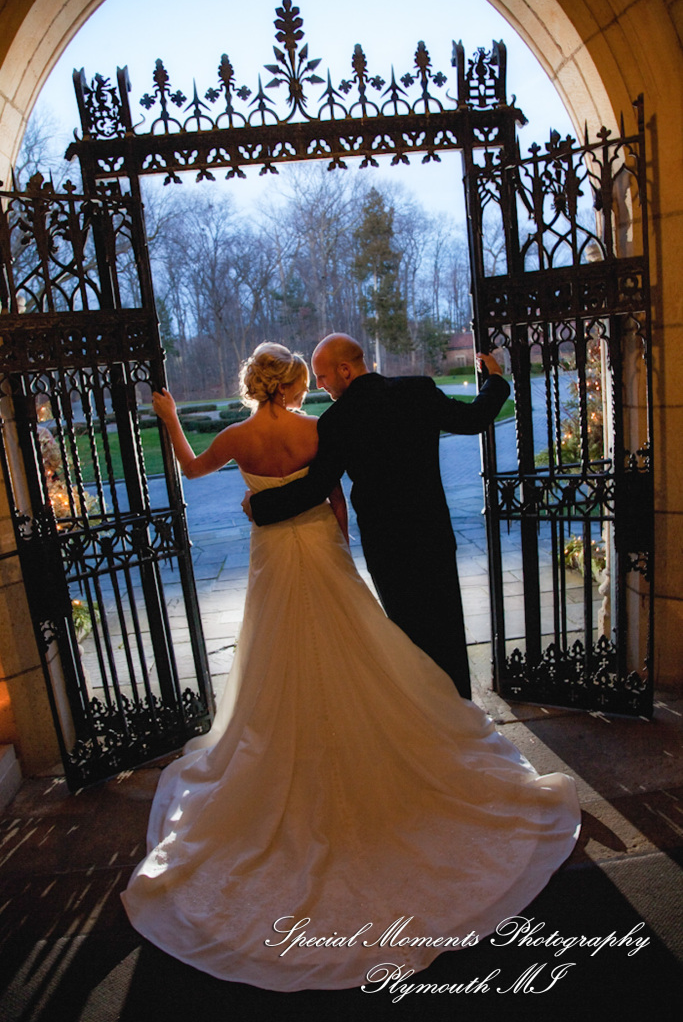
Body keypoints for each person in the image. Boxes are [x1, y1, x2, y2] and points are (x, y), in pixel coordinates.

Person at [122, 342, 580, 992]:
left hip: (316, 553)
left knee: (296, 647)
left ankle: (321, 730)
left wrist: (185, 430)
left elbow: (238, 476)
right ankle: (450, 718)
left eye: (326, 374)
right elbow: (341, 485)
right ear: (308, 379)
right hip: (394, 537)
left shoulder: (284, 428)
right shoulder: (366, 409)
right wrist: (498, 381)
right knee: (401, 643)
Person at [244, 333, 510, 700]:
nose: (319, 386)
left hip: (386, 547)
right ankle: (461, 713)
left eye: (322, 376)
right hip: (432, 535)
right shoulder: (418, 390)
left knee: (406, 636)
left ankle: (425, 715)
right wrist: (496, 380)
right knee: (446, 628)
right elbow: (473, 418)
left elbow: (315, 487)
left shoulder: (336, 421)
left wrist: (259, 505)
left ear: (345, 369)